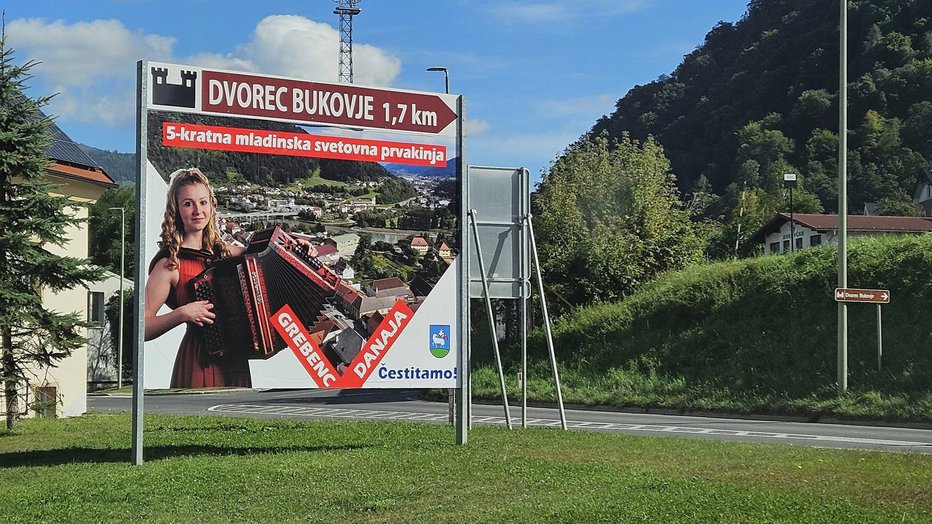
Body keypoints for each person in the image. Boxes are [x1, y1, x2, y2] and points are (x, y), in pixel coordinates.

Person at [145, 167, 251, 388]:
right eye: (188, 203)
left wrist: (299, 247)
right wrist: (182, 313)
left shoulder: (225, 253)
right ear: (176, 210)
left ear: (211, 205)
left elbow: (266, 251)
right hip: (198, 362)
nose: (197, 210)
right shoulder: (169, 264)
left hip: (236, 360)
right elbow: (142, 328)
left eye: (203, 202)